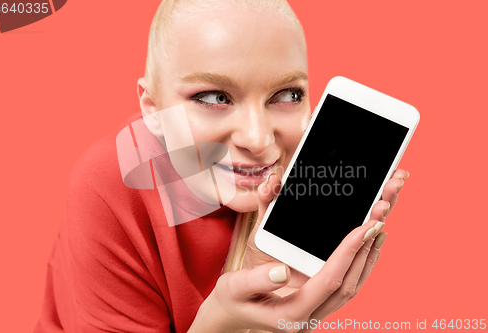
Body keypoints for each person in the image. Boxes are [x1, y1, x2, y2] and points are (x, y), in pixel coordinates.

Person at [34, 0, 409, 332]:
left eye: (287, 95)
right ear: (153, 109)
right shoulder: (109, 183)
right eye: (214, 97)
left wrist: (274, 321)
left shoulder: (307, 175)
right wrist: (222, 326)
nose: (259, 139)